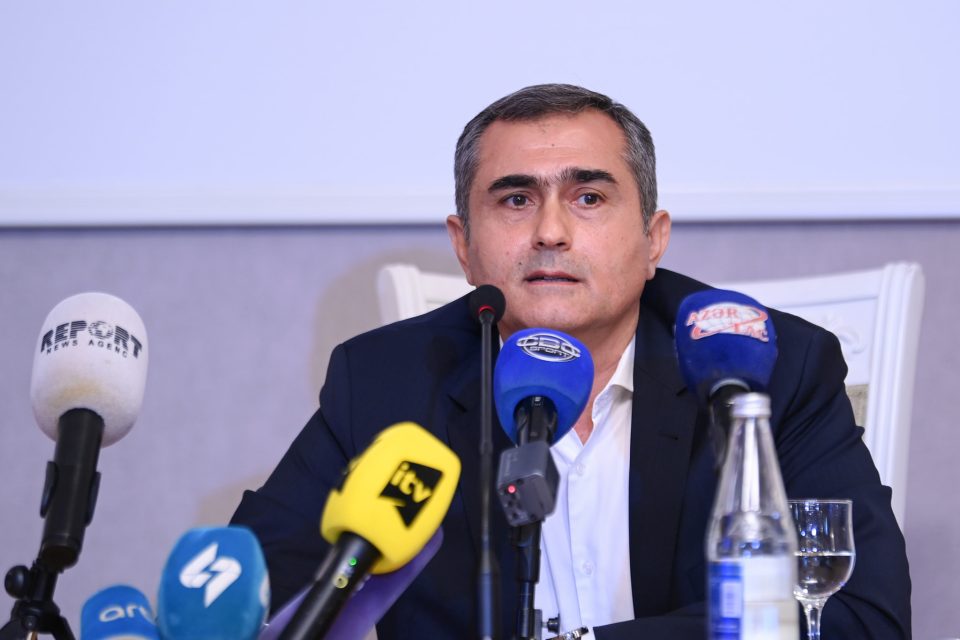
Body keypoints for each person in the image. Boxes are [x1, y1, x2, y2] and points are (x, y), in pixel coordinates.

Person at [231, 84, 911, 638]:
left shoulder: (767, 368)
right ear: (463, 245)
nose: (551, 232)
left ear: (653, 239)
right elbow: (259, 595)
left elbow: (859, 616)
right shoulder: (388, 379)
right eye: (516, 199)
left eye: (589, 198)